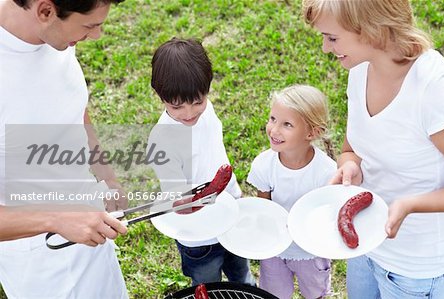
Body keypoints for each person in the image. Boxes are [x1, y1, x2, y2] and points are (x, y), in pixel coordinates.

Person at [302, 0, 444, 298]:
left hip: (415, 267)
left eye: (331, 38)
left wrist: (410, 205)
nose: (325, 48)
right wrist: (349, 164)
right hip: (366, 244)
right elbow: (352, 147)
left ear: (371, 30)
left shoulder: (434, 88)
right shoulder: (360, 69)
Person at [0, 0, 129, 298]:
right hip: (42, 265)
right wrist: (57, 218)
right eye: (90, 26)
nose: (97, 35)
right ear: (45, 11)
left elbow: (73, 110)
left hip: (90, 225)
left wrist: (106, 177)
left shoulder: (55, 36)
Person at [148, 37, 255, 286]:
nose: (190, 113)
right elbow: (175, 191)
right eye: (177, 106)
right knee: (208, 286)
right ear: (159, 96)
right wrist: (182, 202)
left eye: (198, 101)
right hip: (198, 235)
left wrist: (232, 196)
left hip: (230, 211)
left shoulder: (206, 109)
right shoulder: (161, 141)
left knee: (243, 278)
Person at [247, 84, 336, 299]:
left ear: (312, 132)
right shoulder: (264, 165)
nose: (274, 129)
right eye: (272, 119)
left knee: (315, 294)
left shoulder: (327, 172)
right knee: (273, 295)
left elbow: (327, 215)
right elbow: (264, 209)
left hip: (311, 253)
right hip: (275, 250)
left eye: (287, 124)